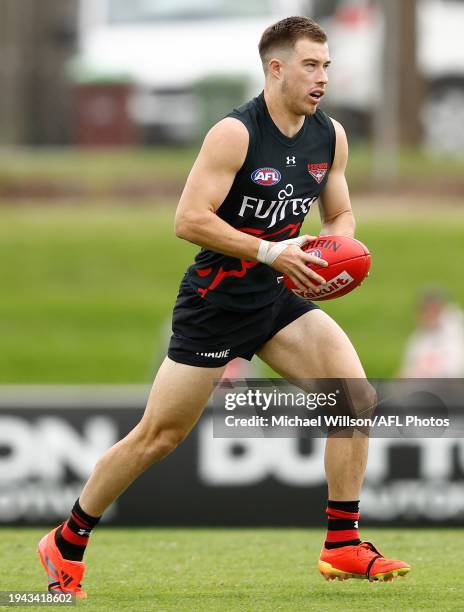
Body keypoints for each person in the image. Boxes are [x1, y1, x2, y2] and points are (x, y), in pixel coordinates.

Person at [37, 16, 410, 596]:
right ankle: (66, 540)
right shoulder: (235, 133)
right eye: (310, 66)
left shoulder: (329, 136)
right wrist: (271, 249)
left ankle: (342, 544)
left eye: (327, 67)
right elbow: (187, 220)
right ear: (276, 68)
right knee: (158, 437)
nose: (322, 79)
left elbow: (338, 214)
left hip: (278, 297)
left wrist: (334, 248)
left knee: (353, 396)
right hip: (216, 305)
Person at [400, 287, 464, 377]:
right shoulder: (417, 338)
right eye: (425, 310)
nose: (429, 315)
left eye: (434, 310)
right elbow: (406, 371)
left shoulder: (456, 335)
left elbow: (455, 371)